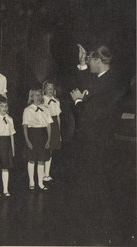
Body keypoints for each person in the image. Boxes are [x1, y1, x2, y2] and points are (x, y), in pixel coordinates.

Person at [70, 44, 122, 240]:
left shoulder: (109, 84)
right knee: (92, 182)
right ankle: (97, 225)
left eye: (91, 60)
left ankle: (104, 229)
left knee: (99, 183)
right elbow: (88, 88)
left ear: (99, 61)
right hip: (93, 140)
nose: (89, 63)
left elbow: (91, 114)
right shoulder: (102, 79)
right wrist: (82, 64)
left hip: (99, 142)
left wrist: (77, 101)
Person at [22, 89, 52, 191]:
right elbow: (25, 126)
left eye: (40, 95)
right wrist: (27, 141)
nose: (38, 97)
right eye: (35, 95)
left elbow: (48, 125)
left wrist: (48, 140)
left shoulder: (46, 109)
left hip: (43, 135)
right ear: (31, 97)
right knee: (31, 159)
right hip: (32, 135)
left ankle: (40, 183)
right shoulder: (27, 110)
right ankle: (31, 181)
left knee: (41, 160)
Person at [0, 96, 15, 197]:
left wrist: (13, 149)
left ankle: (5, 189)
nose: (4, 108)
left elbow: (12, 135)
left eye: (6, 106)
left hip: (7, 144)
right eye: (2, 106)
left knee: (6, 167)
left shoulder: (10, 119)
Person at [42, 80, 62, 181]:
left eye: (52, 88)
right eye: (48, 88)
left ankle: (47, 174)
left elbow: (58, 117)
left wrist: (59, 132)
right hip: (45, 125)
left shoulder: (56, 101)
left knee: (51, 151)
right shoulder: (42, 100)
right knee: (44, 149)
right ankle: (41, 174)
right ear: (44, 89)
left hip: (54, 125)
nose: (50, 90)